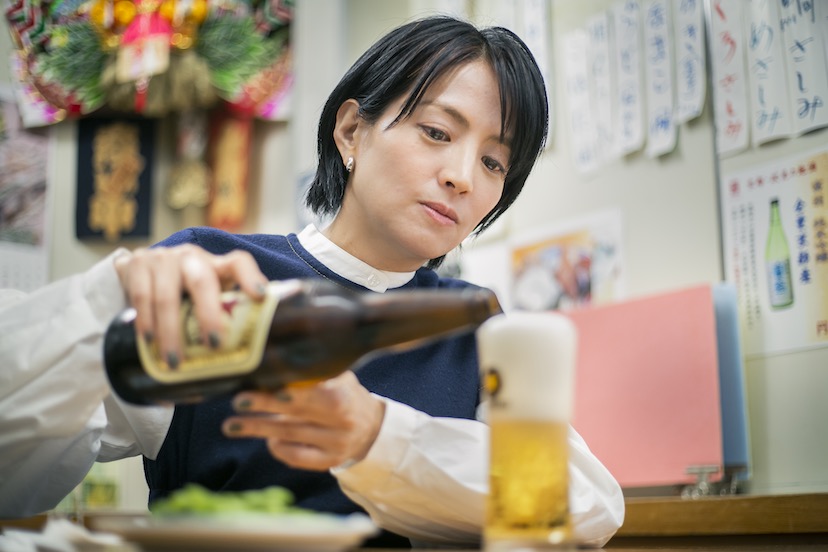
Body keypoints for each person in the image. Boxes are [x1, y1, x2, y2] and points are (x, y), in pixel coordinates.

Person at [0, 15, 624, 547]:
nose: (463, 176)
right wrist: (101, 303)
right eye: (437, 131)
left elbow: (584, 503)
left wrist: (376, 436)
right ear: (352, 130)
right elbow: (13, 469)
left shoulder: (472, 324)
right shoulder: (213, 272)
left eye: (494, 162)